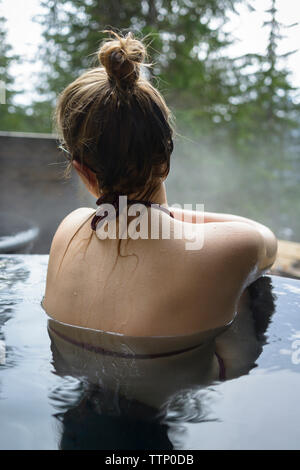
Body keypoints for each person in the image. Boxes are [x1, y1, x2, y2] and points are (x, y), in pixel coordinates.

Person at [42, 30, 278, 383]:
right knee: (256, 289)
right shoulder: (234, 247)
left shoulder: (69, 229)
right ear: (165, 156)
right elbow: (263, 238)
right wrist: (162, 215)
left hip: (80, 402)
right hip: (173, 398)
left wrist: (135, 213)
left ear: (84, 172)